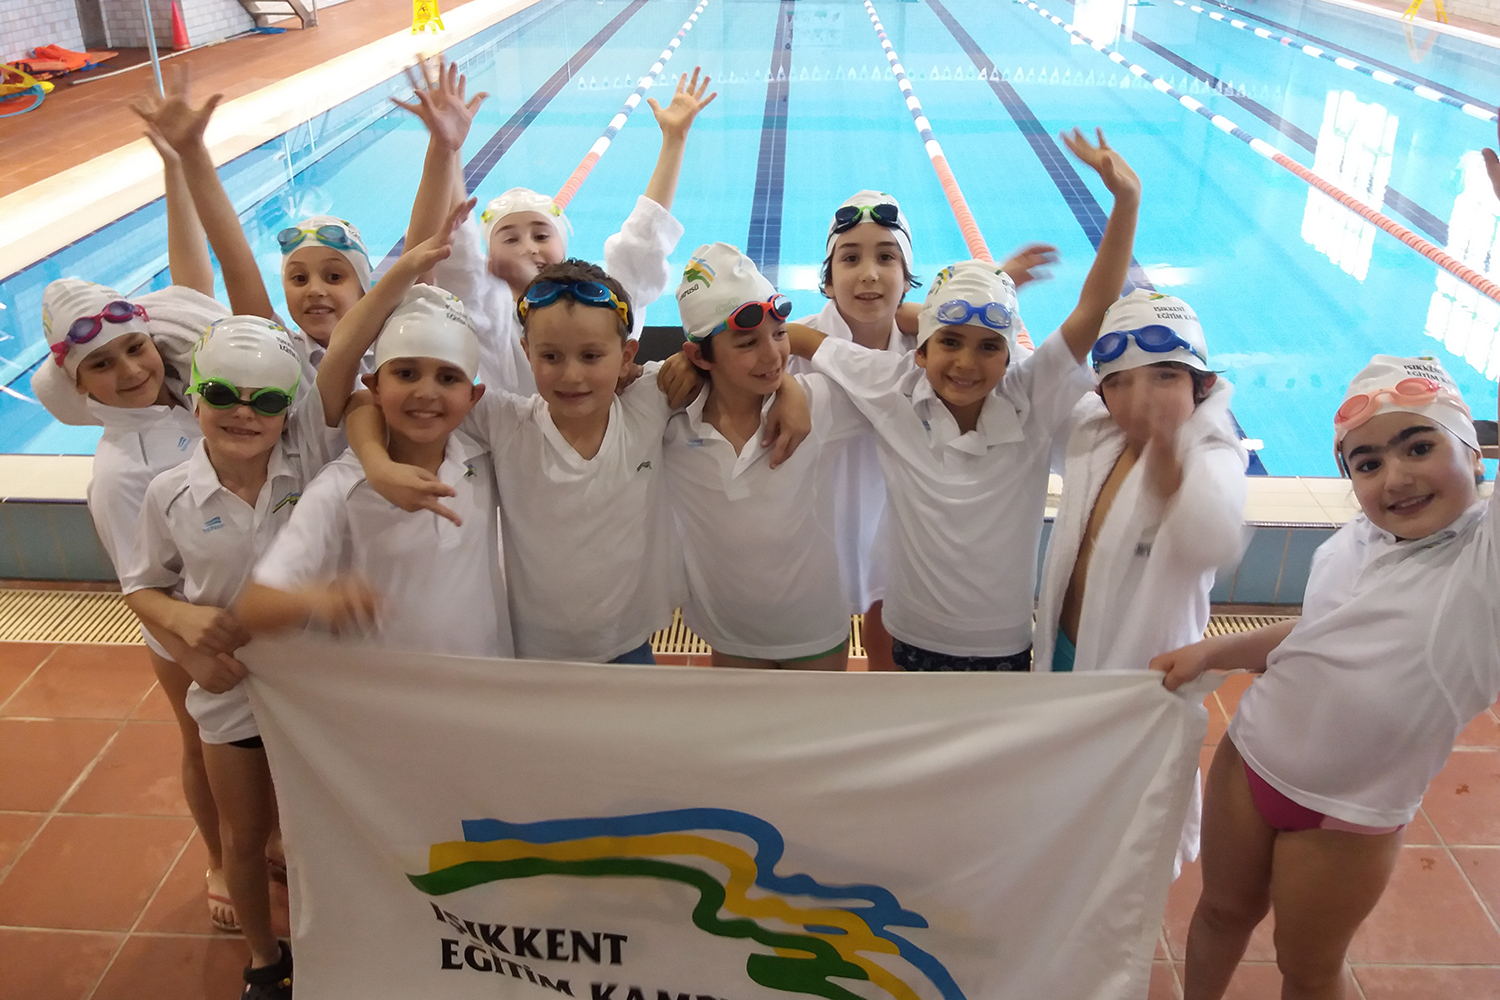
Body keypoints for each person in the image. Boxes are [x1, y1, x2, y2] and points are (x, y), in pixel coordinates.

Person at [1156, 353, 1497, 1000]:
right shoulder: (1359, 539)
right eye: (1367, 464)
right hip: (1249, 758)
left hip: (1346, 813)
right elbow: (1319, 630)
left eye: (1420, 447)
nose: (1395, 478)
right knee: (1220, 913)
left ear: (1477, 455)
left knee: (1307, 967)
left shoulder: (1482, 568)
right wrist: (1212, 653)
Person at [784, 129, 1140, 671]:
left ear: (1011, 355)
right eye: (949, 343)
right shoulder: (896, 385)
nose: (967, 364)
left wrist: (1126, 202)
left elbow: (1093, 310)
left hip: (1003, 645)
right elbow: (809, 340)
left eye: (988, 347)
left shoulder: (1028, 396)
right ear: (921, 352)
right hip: (911, 634)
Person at [346, 257, 809, 663]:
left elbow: (728, 363)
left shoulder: (650, 401)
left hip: (631, 640)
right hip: (535, 650)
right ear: (527, 352)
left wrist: (787, 386)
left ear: (626, 356)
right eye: (551, 356)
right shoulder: (505, 422)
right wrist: (377, 465)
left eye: (591, 356)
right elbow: (366, 401)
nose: (572, 375)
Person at [29, 115, 238, 929]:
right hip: (183, 626)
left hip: (236, 603)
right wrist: (192, 645)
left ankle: (257, 839)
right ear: (79, 387)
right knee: (201, 743)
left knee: (248, 748)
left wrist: (177, 169)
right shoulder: (121, 470)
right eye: (102, 365)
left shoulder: (185, 394)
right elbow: (140, 586)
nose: (129, 370)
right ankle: (219, 859)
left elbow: (193, 282)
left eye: (134, 350)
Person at [120, 314, 341, 999]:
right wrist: (183, 627)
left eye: (267, 401)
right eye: (223, 394)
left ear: (288, 414)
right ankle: (264, 960)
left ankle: (339, 941)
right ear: (194, 399)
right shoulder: (169, 495)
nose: (245, 413)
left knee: (319, 833)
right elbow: (142, 586)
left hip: (312, 689)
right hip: (230, 689)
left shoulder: (314, 471)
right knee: (245, 838)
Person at [794, 191, 1058, 670]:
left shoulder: (932, 343)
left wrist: (992, 290)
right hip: (825, 512)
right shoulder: (796, 339)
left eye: (886, 258)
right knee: (819, 644)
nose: (869, 273)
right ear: (828, 279)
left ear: (906, 277)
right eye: (850, 258)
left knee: (887, 628)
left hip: (905, 522)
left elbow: (1002, 362)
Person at [1033, 289, 1248, 874]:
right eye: (1120, 383)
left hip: (1141, 676)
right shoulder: (1097, 433)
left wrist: (1171, 469)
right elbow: (1036, 386)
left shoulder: (1212, 454)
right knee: (1066, 798)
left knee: (1132, 830)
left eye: (1164, 377)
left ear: (1201, 385)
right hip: (1066, 653)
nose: (1142, 398)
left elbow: (1215, 537)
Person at [234, 211, 513, 658]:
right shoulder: (341, 485)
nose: (426, 393)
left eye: (447, 378)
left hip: (484, 685)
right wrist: (320, 600)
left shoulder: (486, 457)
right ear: (374, 386)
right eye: (406, 373)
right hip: (383, 694)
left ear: (473, 396)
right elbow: (253, 607)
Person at [397, 55, 713, 393]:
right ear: (490, 260)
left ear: (564, 248)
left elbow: (643, 240)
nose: (528, 247)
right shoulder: (493, 320)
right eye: (510, 239)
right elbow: (460, 255)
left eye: (540, 235)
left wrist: (674, 140)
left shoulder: (606, 303)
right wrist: (449, 149)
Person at [664, 243, 866, 670]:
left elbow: (899, 380)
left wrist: (909, 315)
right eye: (747, 343)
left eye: (779, 334)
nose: (773, 356)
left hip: (814, 629)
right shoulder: (668, 418)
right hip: (730, 631)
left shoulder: (819, 402)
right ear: (699, 356)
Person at [132, 64, 373, 379]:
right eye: (299, 279)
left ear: (365, 290)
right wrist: (192, 154)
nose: (314, 289)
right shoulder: (278, 351)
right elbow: (236, 264)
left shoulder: (395, 345)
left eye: (334, 276)